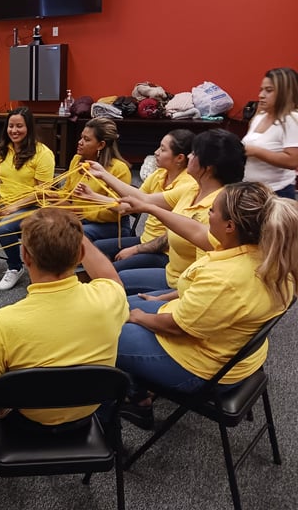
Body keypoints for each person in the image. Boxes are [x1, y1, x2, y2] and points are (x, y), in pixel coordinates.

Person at [116, 182, 298, 428]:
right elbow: (195, 232)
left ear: (230, 226)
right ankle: (137, 389)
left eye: (212, 211)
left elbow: (176, 326)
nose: (207, 216)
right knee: (124, 306)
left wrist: (139, 318)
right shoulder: (265, 252)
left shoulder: (228, 278)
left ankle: (134, 404)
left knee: (102, 329)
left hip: (203, 368)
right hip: (228, 348)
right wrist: (149, 207)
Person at [0, 208, 128, 428]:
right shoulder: (109, 299)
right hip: (89, 411)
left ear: (25, 256)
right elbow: (111, 278)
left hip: (29, 421)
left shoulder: (3, 322)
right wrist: (74, 232)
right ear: (80, 254)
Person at [85, 129, 246, 304]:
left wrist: (161, 298)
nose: (189, 157)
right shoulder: (194, 188)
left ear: (207, 168)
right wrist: (103, 174)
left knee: (119, 300)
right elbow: (144, 199)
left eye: (194, 153)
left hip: (185, 289)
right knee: (114, 281)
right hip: (172, 274)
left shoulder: (216, 209)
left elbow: (202, 279)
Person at [87, 130, 195, 271]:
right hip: (145, 239)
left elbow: (143, 200)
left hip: (163, 250)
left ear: (179, 158)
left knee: (111, 270)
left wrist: (103, 175)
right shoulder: (159, 174)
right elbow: (130, 205)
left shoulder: (188, 185)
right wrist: (92, 196)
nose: (156, 152)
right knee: (93, 249)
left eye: (163, 149)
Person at [0, 107, 55, 291]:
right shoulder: (2, 150)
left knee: (4, 228)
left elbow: (42, 191)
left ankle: (15, 266)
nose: (14, 130)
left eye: (19, 126)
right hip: (4, 203)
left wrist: (15, 206)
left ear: (29, 128)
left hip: (32, 207)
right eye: (11, 126)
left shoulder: (43, 153)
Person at [57, 117, 132, 243]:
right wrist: (54, 197)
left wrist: (81, 212)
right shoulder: (77, 160)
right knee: (44, 223)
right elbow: (67, 192)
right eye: (81, 137)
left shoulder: (119, 169)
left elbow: (114, 213)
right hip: (79, 218)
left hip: (111, 225)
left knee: (69, 233)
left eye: (86, 139)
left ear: (101, 145)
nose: (80, 142)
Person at [242, 67, 298, 198]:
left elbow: (292, 161)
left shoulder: (292, 119)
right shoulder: (260, 116)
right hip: (252, 190)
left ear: (285, 93)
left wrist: (255, 151)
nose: (261, 95)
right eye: (261, 90)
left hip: (277, 193)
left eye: (269, 90)